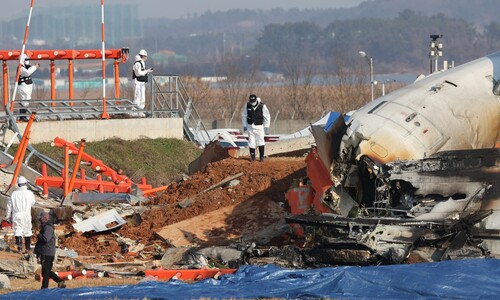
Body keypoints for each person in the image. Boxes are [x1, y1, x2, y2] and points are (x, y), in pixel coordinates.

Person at [35, 211, 66, 289]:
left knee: (46, 271)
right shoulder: (46, 226)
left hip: (47, 252)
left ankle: (45, 287)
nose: (40, 220)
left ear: (44, 218)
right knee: (46, 271)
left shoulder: (48, 227)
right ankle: (59, 281)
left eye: (40, 219)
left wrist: (38, 234)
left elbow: (46, 239)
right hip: (47, 251)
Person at [5, 175, 36, 253]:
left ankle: (19, 248)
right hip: (26, 214)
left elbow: (9, 206)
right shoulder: (29, 193)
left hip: (17, 214)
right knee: (27, 231)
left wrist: (8, 217)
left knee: (18, 230)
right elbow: (33, 203)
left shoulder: (14, 194)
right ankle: (27, 248)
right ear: (25, 183)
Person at [242, 94, 270, 162]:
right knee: (251, 141)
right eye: (251, 101)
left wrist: (266, 126)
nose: (252, 103)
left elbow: (267, 116)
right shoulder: (247, 105)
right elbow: (244, 115)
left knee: (260, 141)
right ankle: (252, 157)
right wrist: (244, 125)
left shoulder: (262, 106)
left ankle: (261, 157)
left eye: (253, 101)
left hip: (259, 126)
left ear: (256, 100)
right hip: (250, 126)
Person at [17, 54, 40, 121]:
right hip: (23, 87)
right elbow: (27, 72)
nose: (27, 61)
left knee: (27, 100)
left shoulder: (25, 67)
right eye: (26, 60)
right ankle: (22, 116)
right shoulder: (20, 67)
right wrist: (35, 67)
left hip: (27, 86)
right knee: (24, 101)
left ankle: (23, 116)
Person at [132, 49, 153, 117]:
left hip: (142, 83)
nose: (146, 58)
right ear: (143, 56)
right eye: (145, 56)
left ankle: (140, 111)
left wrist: (147, 71)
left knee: (142, 98)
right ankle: (134, 112)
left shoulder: (142, 63)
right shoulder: (138, 63)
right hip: (137, 83)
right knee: (137, 98)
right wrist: (146, 71)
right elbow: (139, 73)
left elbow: (142, 72)